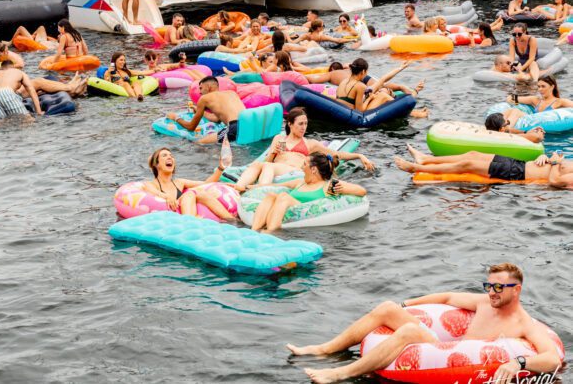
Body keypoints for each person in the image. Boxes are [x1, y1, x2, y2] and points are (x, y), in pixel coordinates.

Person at [289, 262, 563, 383]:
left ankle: (342, 373)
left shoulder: (524, 323)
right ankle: (325, 349)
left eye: (499, 288)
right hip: (445, 350)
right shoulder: (483, 302)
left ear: (517, 290)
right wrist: (406, 304)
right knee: (386, 308)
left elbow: (551, 358)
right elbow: (446, 296)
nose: (492, 292)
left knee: (409, 330)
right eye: (489, 285)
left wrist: (519, 363)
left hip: (460, 362)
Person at [234, 107, 374, 191]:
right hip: (275, 167)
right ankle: (238, 187)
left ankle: (261, 190)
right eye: (300, 124)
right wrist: (273, 152)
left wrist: (360, 156)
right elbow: (269, 160)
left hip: (293, 172)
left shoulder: (310, 144)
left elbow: (337, 154)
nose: (304, 127)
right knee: (259, 164)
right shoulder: (280, 139)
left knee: (268, 167)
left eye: (306, 124)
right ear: (290, 124)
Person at [249, 153, 367, 232]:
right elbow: (274, 186)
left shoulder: (328, 186)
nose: (301, 167)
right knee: (271, 195)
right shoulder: (300, 182)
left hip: (303, 212)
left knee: (284, 197)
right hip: (283, 208)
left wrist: (343, 189)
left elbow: (362, 191)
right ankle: (253, 231)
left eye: (305, 164)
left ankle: (270, 233)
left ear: (313, 169)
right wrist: (251, 187)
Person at [396, 144, 572, 186]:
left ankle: (416, 168)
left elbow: (555, 180)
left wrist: (555, 162)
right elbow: (552, 164)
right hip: (520, 164)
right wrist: (545, 157)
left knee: (467, 164)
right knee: (473, 154)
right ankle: (425, 158)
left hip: (517, 173)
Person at [139, 148, 234, 219]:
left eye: (171, 156)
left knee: (197, 192)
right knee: (190, 194)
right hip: (171, 217)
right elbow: (150, 190)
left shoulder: (179, 182)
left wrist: (221, 168)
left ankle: (232, 220)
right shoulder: (151, 184)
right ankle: (190, 223)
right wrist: (167, 196)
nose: (170, 157)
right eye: (164, 155)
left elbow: (206, 184)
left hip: (186, 211)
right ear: (156, 164)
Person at [166, 75, 246, 144]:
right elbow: (217, 119)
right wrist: (199, 111)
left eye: (201, 88)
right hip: (250, 122)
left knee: (198, 143)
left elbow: (191, 127)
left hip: (235, 126)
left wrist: (176, 118)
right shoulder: (232, 93)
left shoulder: (204, 98)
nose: (199, 92)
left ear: (208, 87)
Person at [336, 58, 415, 112]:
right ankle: (411, 112)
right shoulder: (360, 86)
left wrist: (400, 67)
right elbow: (359, 111)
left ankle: (411, 110)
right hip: (352, 115)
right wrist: (369, 98)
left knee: (381, 86)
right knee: (383, 96)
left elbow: (382, 80)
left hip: (343, 111)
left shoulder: (344, 81)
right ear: (363, 71)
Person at [503, 75, 573, 128]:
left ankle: (506, 129)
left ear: (552, 87)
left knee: (515, 112)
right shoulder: (536, 100)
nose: (540, 89)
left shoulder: (559, 101)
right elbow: (511, 98)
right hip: (532, 121)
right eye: (538, 86)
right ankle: (498, 127)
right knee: (512, 110)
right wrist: (514, 103)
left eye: (543, 86)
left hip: (546, 124)